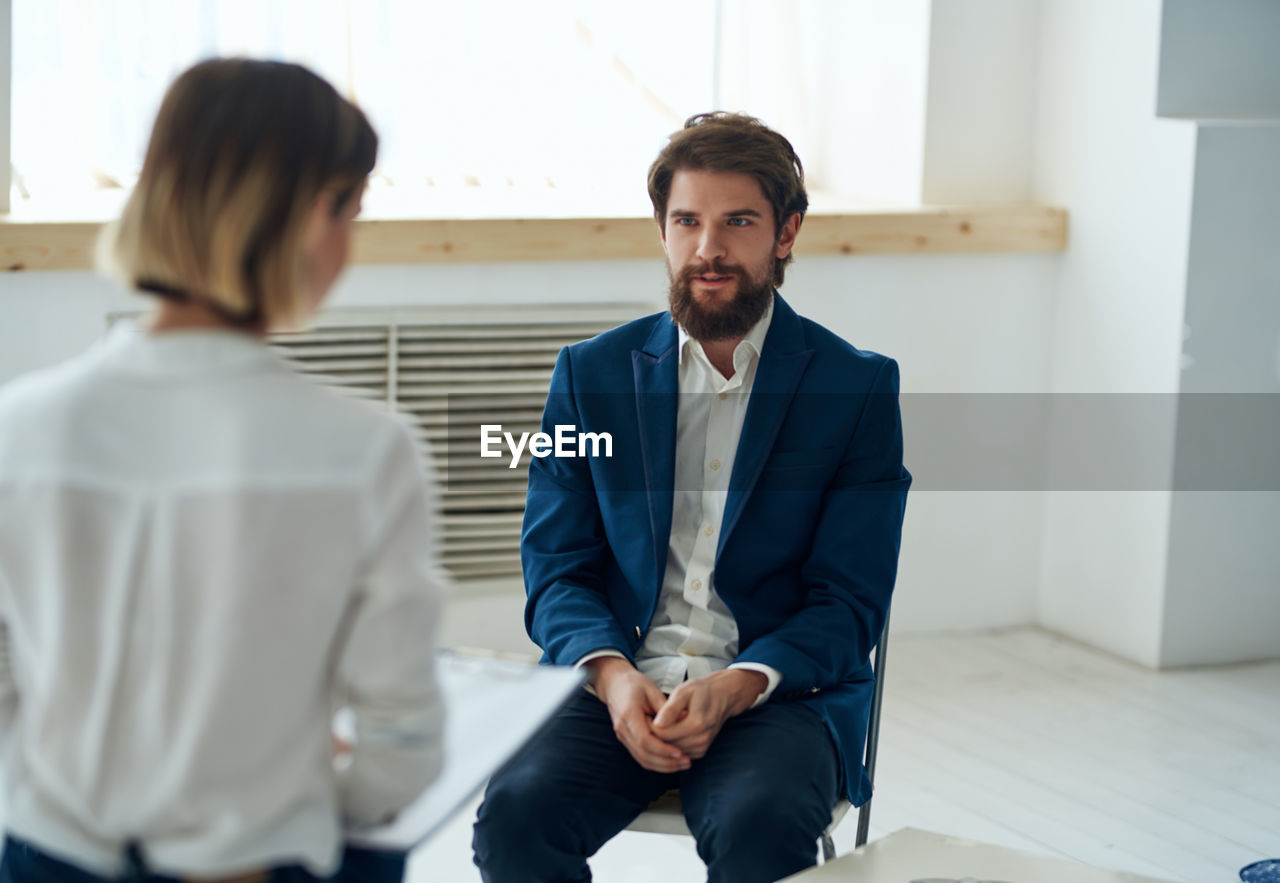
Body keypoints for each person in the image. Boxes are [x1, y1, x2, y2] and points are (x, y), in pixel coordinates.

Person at [0, 59, 445, 882]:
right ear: (314, 216)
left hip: (46, 854)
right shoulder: (366, 449)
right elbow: (402, 751)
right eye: (353, 210)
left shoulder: (20, 425)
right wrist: (293, 789)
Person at [471, 112, 911, 882]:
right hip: (618, 681)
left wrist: (738, 685)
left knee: (761, 824)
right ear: (663, 230)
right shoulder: (589, 377)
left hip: (774, 691)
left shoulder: (856, 388)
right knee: (514, 814)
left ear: (786, 232)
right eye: (687, 221)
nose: (707, 248)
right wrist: (612, 677)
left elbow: (849, 600)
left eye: (738, 221)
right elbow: (556, 567)